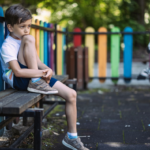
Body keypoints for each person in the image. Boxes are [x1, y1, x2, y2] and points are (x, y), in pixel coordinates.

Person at [0, 4, 89, 150]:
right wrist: (39, 75)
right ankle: (35, 82)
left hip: (33, 76)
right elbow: (18, 72)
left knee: (71, 95)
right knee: (29, 39)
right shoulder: (7, 45)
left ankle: (72, 138)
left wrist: (47, 69)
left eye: (29, 26)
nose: (27, 30)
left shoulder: (25, 39)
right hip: (21, 80)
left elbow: (37, 62)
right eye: (23, 26)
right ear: (10, 27)